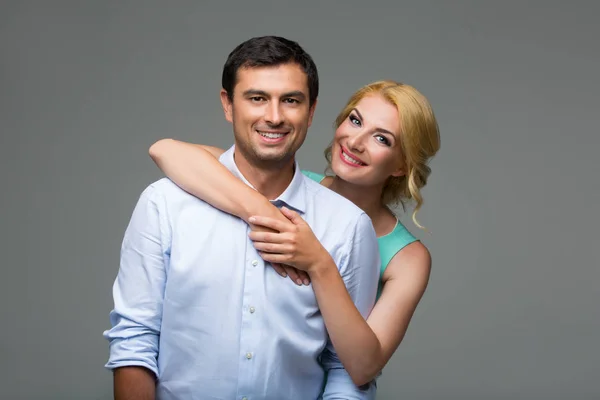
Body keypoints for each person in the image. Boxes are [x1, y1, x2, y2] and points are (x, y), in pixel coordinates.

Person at [103, 35, 381, 399]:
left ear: (311, 111)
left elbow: (347, 369)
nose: (274, 116)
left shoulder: (347, 226)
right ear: (227, 104)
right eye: (257, 98)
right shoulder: (164, 204)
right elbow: (135, 341)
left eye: (291, 101)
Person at [148, 79, 441, 387]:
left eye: (382, 139)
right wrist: (265, 210)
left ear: (401, 165)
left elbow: (362, 367)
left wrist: (318, 263)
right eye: (355, 121)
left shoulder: (408, 258)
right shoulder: (285, 186)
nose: (355, 142)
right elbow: (165, 150)